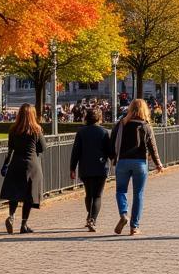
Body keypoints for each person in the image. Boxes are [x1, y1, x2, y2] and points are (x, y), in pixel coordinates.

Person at [110, 98, 165, 236]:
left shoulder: (121, 124)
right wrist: (158, 164)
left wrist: (112, 157)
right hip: (140, 162)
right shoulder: (145, 125)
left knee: (120, 191)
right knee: (138, 194)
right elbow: (152, 147)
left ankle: (123, 213)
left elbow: (112, 141)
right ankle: (134, 227)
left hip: (122, 161)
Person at [1, 103, 45, 235]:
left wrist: (5, 164)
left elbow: (10, 149)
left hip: (16, 164)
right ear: (33, 115)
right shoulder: (36, 130)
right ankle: (23, 224)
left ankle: (11, 216)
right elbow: (42, 148)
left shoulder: (13, 129)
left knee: (14, 193)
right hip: (31, 165)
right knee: (29, 196)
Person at [70, 107, 112, 232]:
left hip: (85, 167)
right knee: (97, 195)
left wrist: (72, 168)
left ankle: (90, 216)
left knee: (89, 194)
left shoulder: (81, 132)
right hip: (100, 166)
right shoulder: (105, 132)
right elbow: (109, 151)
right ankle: (92, 219)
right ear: (99, 117)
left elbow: (76, 151)